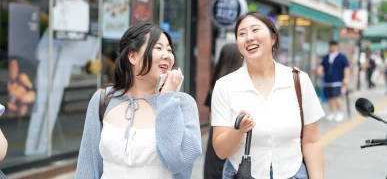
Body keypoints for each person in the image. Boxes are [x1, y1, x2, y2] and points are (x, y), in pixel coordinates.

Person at [75, 23, 202, 179]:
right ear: (133, 56)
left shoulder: (182, 104)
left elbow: (176, 162)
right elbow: (88, 166)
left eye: (169, 50)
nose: (168, 55)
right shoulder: (103, 100)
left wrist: (167, 97)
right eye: (159, 48)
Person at [211, 11, 325, 179]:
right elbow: (221, 151)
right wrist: (239, 130)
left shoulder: (299, 80)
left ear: (273, 38)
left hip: (292, 173)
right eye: (242, 34)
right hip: (243, 174)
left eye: (255, 30)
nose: (249, 37)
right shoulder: (225, 86)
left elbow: (312, 141)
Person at [203, 43, 243, 179]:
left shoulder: (216, 83)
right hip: (236, 143)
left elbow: (211, 119)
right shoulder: (240, 84)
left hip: (216, 144)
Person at [318, 41, 350, 122]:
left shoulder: (342, 57)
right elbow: (322, 66)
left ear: (337, 46)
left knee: (337, 97)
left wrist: (346, 78)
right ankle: (331, 112)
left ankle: (339, 112)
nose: (331, 48)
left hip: (337, 80)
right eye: (330, 46)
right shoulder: (326, 57)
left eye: (333, 46)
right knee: (329, 98)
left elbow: (346, 68)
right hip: (327, 80)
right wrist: (319, 70)